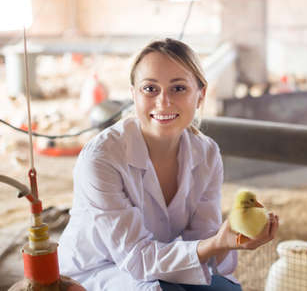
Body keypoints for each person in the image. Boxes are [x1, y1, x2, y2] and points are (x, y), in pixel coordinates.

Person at [58, 38, 279, 291]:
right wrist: (216, 243)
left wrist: (229, 240)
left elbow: (202, 240)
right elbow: (136, 257)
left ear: (200, 95)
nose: (163, 102)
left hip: (161, 261)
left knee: (226, 289)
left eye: (178, 88)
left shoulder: (206, 153)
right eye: (150, 89)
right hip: (100, 269)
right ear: (133, 95)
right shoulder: (102, 159)